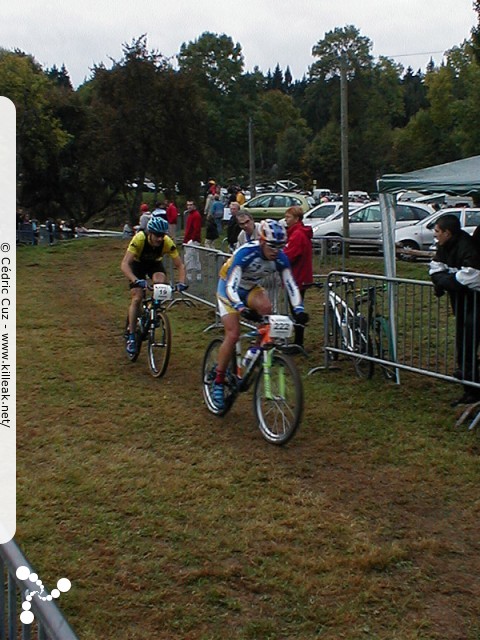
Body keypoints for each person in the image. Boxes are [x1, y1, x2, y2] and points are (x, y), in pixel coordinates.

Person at [212, 219, 308, 410]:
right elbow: (231, 285)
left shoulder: (280, 258)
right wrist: (240, 308)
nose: (276, 250)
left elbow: (290, 284)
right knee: (233, 334)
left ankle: (255, 350)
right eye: (273, 245)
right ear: (263, 241)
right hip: (229, 288)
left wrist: (299, 309)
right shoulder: (247, 253)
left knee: (266, 308)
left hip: (249, 288)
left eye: (281, 246)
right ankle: (218, 379)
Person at [429, 214, 480, 405]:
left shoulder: (468, 247)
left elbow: (472, 277)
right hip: (461, 302)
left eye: (437, 232)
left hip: (475, 302)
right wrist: (444, 281)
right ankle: (470, 386)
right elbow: (435, 268)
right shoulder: (444, 246)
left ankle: (473, 390)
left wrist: (445, 282)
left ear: (447, 233)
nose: (435, 236)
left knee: (468, 345)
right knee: (463, 345)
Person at [121, 216, 187, 355]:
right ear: (150, 233)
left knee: (160, 281)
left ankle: (154, 310)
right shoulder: (139, 239)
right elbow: (125, 264)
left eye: (162, 235)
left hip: (154, 264)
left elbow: (180, 265)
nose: (159, 239)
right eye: (157, 235)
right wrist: (135, 280)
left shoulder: (167, 242)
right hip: (137, 265)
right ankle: (132, 336)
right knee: (137, 297)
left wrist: (181, 283)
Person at [283, 206, 313, 351]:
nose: (285, 220)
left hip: (297, 278)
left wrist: (280, 256)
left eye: (288, 217)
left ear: (296, 219)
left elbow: (290, 256)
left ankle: (298, 342)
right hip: (298, 276)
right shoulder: (297, 233)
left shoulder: (297, 235)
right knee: (296, 309)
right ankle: (297, 341)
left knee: (296, 310)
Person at [183, 200, 202, 281]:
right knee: (191, 257)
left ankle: (193, 274)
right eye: (188, 205)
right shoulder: (191, 215)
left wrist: (192, 239)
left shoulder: (196, 215)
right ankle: (194, 274)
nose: (189, 206)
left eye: (191, 205)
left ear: (194, 206)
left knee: (191, 257)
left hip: (193, 240)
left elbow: (196, 229)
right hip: (189, 239)